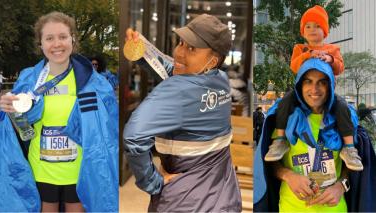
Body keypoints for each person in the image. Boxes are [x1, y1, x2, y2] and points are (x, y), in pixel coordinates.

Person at [0, 11, 118, 212]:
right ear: (41, 44)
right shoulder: (29, 79)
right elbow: (18, 131)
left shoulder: (94, 82)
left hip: (80, 171)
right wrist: (10, 111)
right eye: (49, 38)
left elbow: (108, 131)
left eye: (62, 36)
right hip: (41, 170)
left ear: (73, 40)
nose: (57, 44)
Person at [123, 14, 242, 212]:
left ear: (212, 61)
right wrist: (143, 51)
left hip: (184, 202)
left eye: (191, 49)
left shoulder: (178, 90)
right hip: (224, 196)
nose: (179, 52)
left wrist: (152, 182)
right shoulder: (220, 80)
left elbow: (133, 137)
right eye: (181, 43)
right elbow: (171, 67)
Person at [253, 58, 376, 212]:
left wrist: (341, 186)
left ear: (330, 85)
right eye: (308, 81)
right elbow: (268, 163)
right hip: (291, 208)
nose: (314, 89)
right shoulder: (284, 119)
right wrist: (288, 176)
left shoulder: (343, 120)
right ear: (299, 85)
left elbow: (353, 165)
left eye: (322, 82)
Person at [265, 5, 363, 172]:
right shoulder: (299, 49)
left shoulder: (332, 49)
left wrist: (329, 59)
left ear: (325, 31)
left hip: (328, 96)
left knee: (342, 106)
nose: (312, 30)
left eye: (317, 26)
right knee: (285, 101)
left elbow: (340, 67)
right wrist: (308, 55)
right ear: (303, 31)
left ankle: (349, 147)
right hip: (302, 95)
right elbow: (295, 65)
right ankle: (280, 140)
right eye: (308, 26)